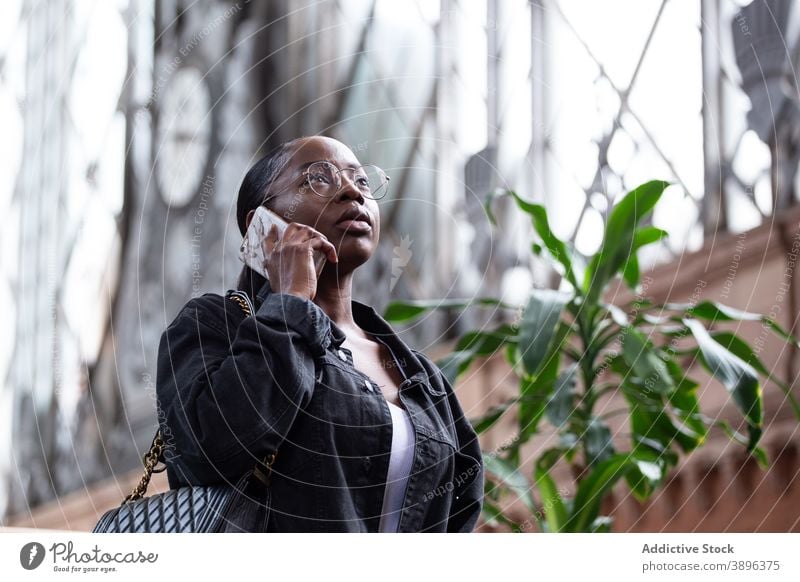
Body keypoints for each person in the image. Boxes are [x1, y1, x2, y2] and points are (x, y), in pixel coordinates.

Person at [155, 135, 484, 532]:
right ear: (262, 226)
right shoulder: (213, 327)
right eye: (318, 179)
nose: (351, 191)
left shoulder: (422, 377)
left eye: (362, 182)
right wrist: (291, 301)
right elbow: (208, 451)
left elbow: (460, 514)